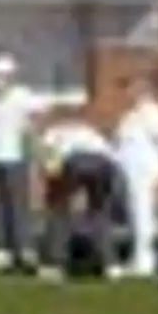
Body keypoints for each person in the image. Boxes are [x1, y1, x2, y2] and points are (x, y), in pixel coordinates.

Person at [34, 118, 123, 279]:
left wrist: (51, 195)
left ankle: (55, 263)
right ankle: (111, 264)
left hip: (76, 160)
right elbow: (112, 157)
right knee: (99, 212)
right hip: (105, 163)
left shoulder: (49, 135)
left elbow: (51, 167)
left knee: (59, 211)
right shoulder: (88, 131)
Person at [110, 71, 158, 279]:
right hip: (129, 170)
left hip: (143, 170)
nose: (128, 92)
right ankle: (138, 257)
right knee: (135, 214)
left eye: (132, 87)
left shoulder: (151, 112)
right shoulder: (130, 115)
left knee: (143, 214)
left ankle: (145, 261)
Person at [0, 53, 40, 272]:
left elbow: (33, 124)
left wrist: (34, 150)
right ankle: (1, 248)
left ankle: (23, 248)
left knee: (18, 204)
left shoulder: (22, 97)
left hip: (16, 157)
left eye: (2, 76)